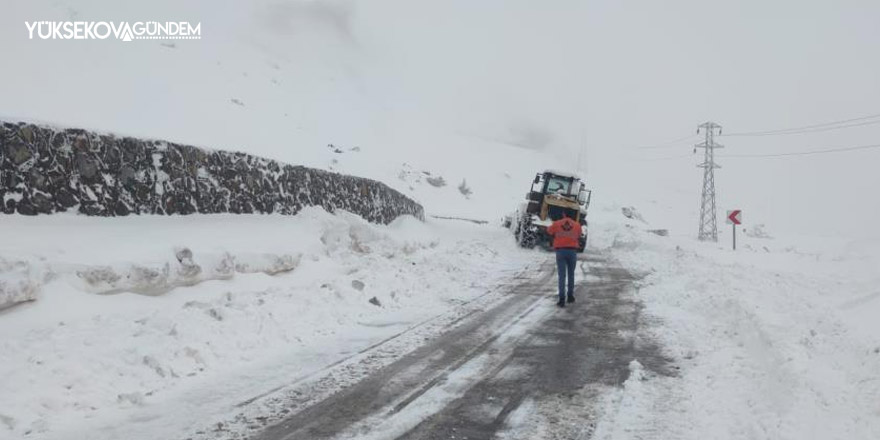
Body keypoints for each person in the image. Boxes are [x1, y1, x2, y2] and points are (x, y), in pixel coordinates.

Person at [546, 211, 581, 307]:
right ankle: (570, 296)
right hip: (572, 252)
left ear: (564, 214)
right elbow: (579, 235)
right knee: (571, 274)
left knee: (562, 276)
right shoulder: (577, 225)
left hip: (561, 252)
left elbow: (549, 231)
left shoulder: (557, 223)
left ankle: (561, 299)